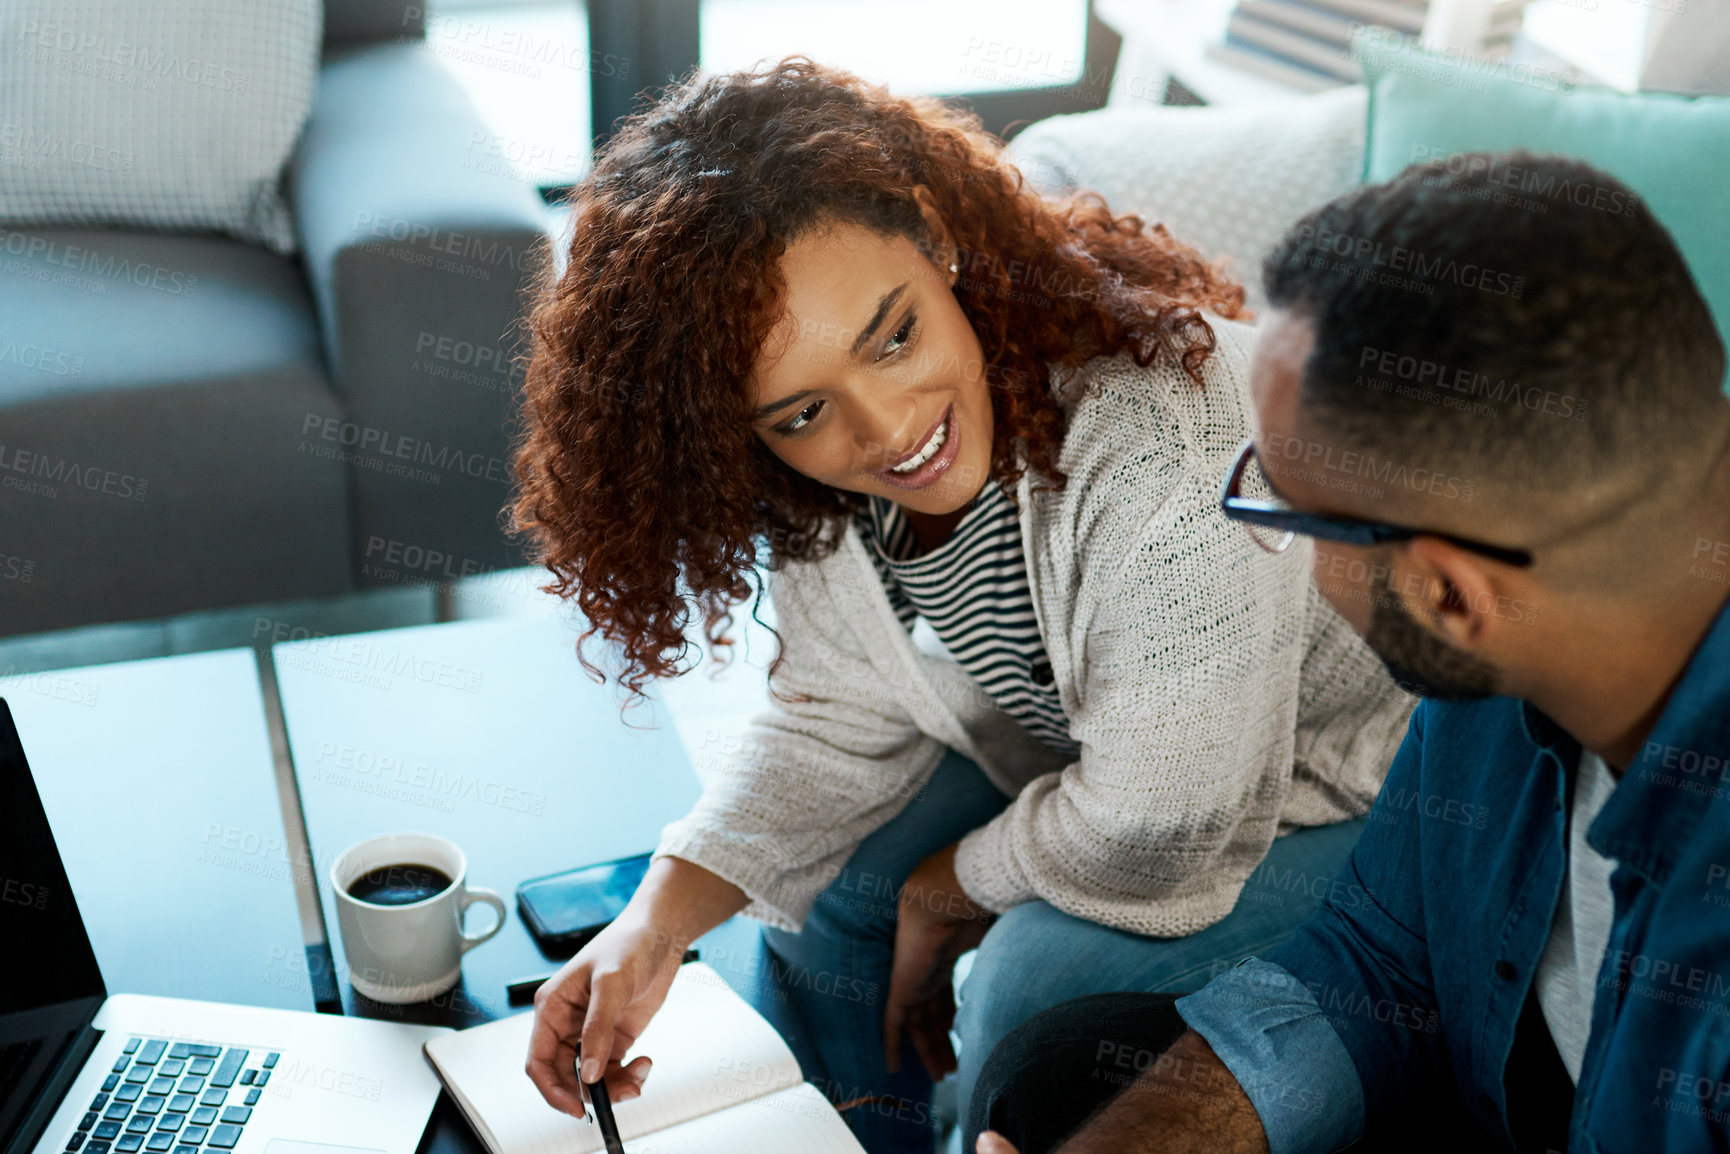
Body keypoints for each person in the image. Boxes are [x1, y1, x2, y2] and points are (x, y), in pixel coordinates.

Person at [510, 57, 1415, 1153]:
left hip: (1354, 787)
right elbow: (836, 713)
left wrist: (953, 884)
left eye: (891, 336)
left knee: (1030, 980)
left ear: (934, 236)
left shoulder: (1163, 443)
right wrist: (650, 923)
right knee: (829, 904)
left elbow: (1159, 818)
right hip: (1104, 750)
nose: (886, 430)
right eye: (801, 412)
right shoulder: (825, 489)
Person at [968, 150, 1730, 1154]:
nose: (1263, 530)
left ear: (1446, 593)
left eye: (1281, 500)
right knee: (1062, 1079)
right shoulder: (1500, 660)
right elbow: (1376, 965)